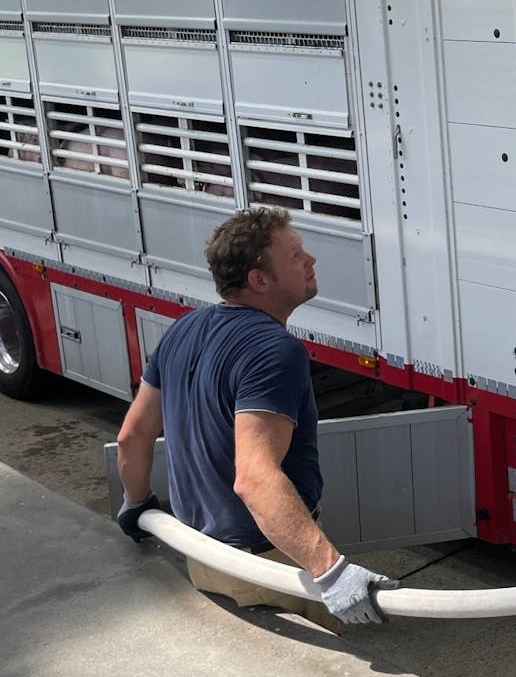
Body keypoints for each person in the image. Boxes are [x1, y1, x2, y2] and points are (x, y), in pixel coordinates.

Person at [114, 207, 397, 628]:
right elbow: (254, 477)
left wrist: (136, 505)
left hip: (203, 557)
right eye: (296, 255)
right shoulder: (275, 351)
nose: (311, 260)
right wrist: (330, 571)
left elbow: (132, 437)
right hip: (268, 570)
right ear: (259, 280)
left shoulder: (183, 329)